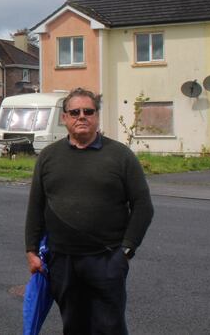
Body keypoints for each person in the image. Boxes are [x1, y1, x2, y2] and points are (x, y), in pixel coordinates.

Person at [24, 87, 154, 334]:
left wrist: (125, 251)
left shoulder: (120, 156)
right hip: (62, 261)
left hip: (106, 259)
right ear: (64, 118)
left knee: (110, 326)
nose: (81, 116)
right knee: (73, 325)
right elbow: (36, 205)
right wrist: (31, 250)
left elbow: (143, 206)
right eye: (74, 112)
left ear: (96, 116)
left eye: (88, 111)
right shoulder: (49, 157)